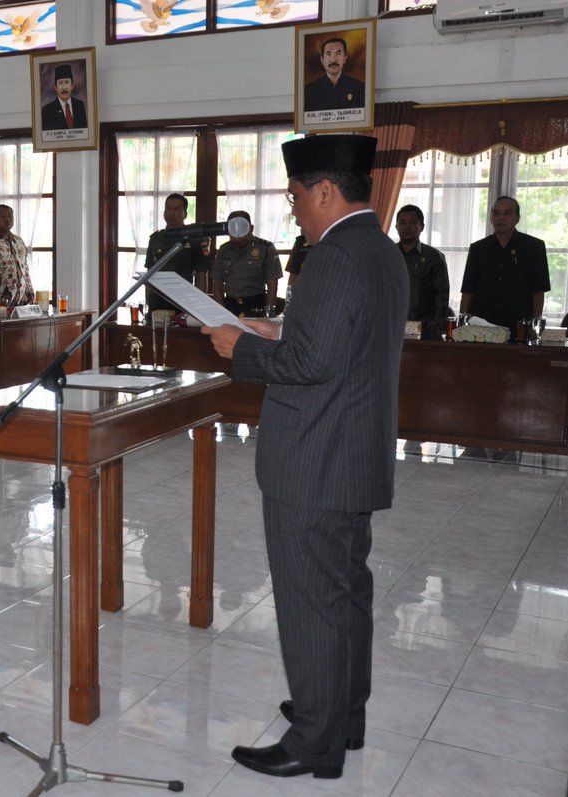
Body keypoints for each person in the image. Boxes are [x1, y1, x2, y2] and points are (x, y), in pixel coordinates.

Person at [202, 134, 408, 780]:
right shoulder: (380, 253)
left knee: (311, 600)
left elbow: (305, 365)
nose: (293, 209)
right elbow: (336, 341)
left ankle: (314, 741)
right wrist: (279, 327)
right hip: (352, 456)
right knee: (345, 592)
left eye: (296, 196)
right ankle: (342, 713)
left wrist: (239, 345)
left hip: (313, 461)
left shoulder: (329, 258)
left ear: (324, 191)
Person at [460, 196, 550, 333]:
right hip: (481, 325)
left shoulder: (534, 247)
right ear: (491, 218)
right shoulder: (478, 249)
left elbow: (538, 290)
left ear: (517, 218)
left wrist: (535, 324)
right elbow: (468, 290)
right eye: (496, 213)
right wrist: (462, 323)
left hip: (519, 324)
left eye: (507, 213)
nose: (501, 217)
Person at [144, 193, 211, 314]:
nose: (171, 213)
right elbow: (149, 273)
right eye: (168, 209)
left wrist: (199, 306)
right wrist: (148, 302)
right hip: (158, 298)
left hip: (184, 299)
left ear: (185, 213)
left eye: (177, 209)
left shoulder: (195, 239)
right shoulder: (156, 238)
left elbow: (201, 276)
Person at [211, 210, 282, 316]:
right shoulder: (224, 250)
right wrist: (221, 312)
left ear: (251, 228)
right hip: (230, 305)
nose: (238, 238)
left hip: (256, 305)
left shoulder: (266, 249)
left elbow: (272, 284)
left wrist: (269, 314)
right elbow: (217, 283)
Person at [395, 204, 450, 339]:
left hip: (426, 331)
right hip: (394, 329)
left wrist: (433, 327)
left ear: (422, 227)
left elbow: (441, 297)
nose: (407, 227)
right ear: (396, 227)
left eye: (412, 222)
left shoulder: (434, 257)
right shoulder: (389, 255)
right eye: (402, 223)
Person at [303, 37, 365, 112]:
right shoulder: (309, 91)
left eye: (338, 53)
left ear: (345, 58)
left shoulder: (360, 88)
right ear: (322, 60)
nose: (333, 59)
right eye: (328, 54)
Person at [40, 63, 88, 131]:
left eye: (67, 82)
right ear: (55, 87)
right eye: (60, 83)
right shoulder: (47, 111)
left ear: (72, 85)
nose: (64, 87)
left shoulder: (80, 105)